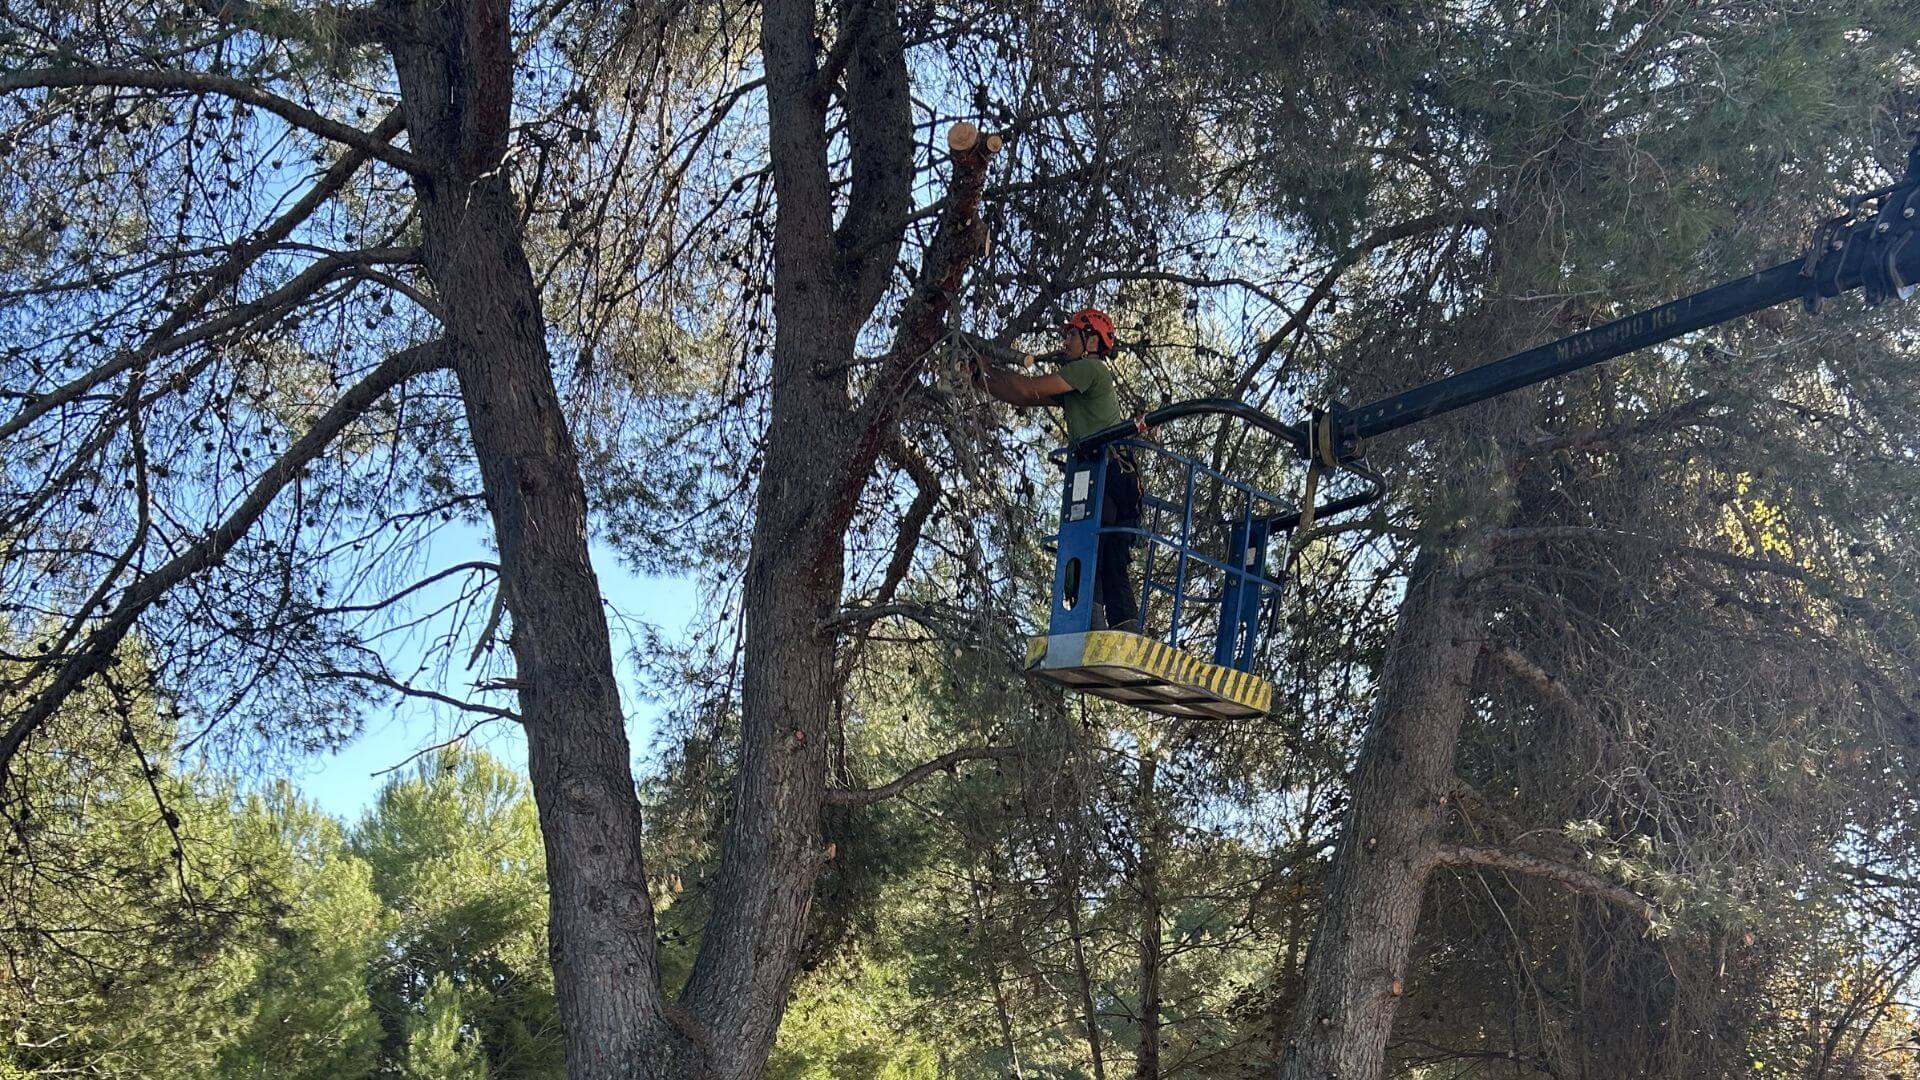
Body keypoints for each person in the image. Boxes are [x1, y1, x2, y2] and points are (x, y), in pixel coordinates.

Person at [969, 308, 1143, 633]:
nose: (1065, 341)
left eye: (1072, 334)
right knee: (1109, 557)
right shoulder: (1080, 381)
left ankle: (1091, 626)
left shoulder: (1089, 369)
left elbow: (1026, 388)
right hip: (1114, 476)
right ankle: (1120, 632)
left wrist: (984, 365)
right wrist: (980, 378)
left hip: (1107, 473)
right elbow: (1022, 395)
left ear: (1091, 339)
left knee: (1092, 548)